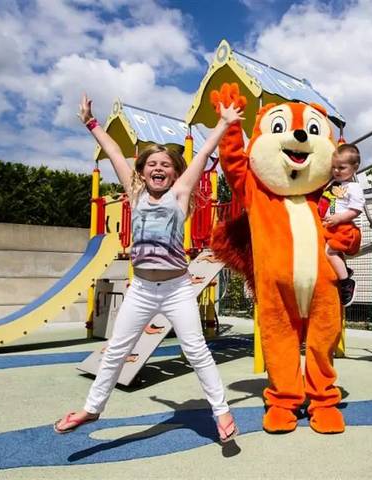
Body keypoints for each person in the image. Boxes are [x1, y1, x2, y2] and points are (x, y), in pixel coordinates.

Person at [53, 93, 244, 443]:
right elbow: (113, 151)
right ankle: (92, 408)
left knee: (196, 350)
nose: (159, 168)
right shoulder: (135, 194)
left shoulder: (180, 194)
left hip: (177, 289)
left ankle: (221, 411)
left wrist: (224, 123)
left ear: (174, 173)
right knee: (116, 349)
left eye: (166, 165)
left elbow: (203, 153)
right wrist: (91, 123)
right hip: (141, 290)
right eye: (152, 164)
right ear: (141, 172)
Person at [318, 143, 365, 306]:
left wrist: (339, 218)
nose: (337, 171)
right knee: (326, 251)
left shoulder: (353, 187)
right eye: (334, 167)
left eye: (342, 168)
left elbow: (356, 210)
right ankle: (344, 270)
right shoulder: (333, 183)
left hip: (343, 227)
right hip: (330, 226)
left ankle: (346, 283)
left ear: (355, 168)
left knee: (330, 252)